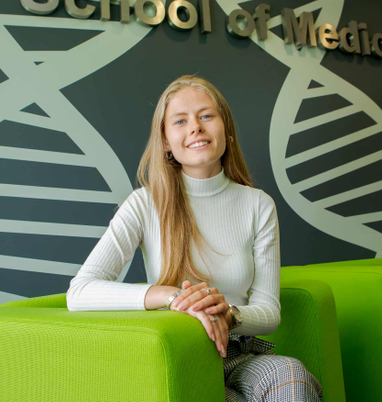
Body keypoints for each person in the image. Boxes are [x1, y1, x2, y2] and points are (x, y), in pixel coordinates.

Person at [67, 75, 322, 401]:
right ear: (165, 140)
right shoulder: (145, 203)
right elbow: (80, 292)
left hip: (240, 354)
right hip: (180, 353)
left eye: (206, 116)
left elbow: (269, 311)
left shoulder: (258, 205)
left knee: (291, 376)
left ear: (225, 129)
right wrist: (172, 298)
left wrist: (229, 313)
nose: (195, 128)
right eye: (180, 120)